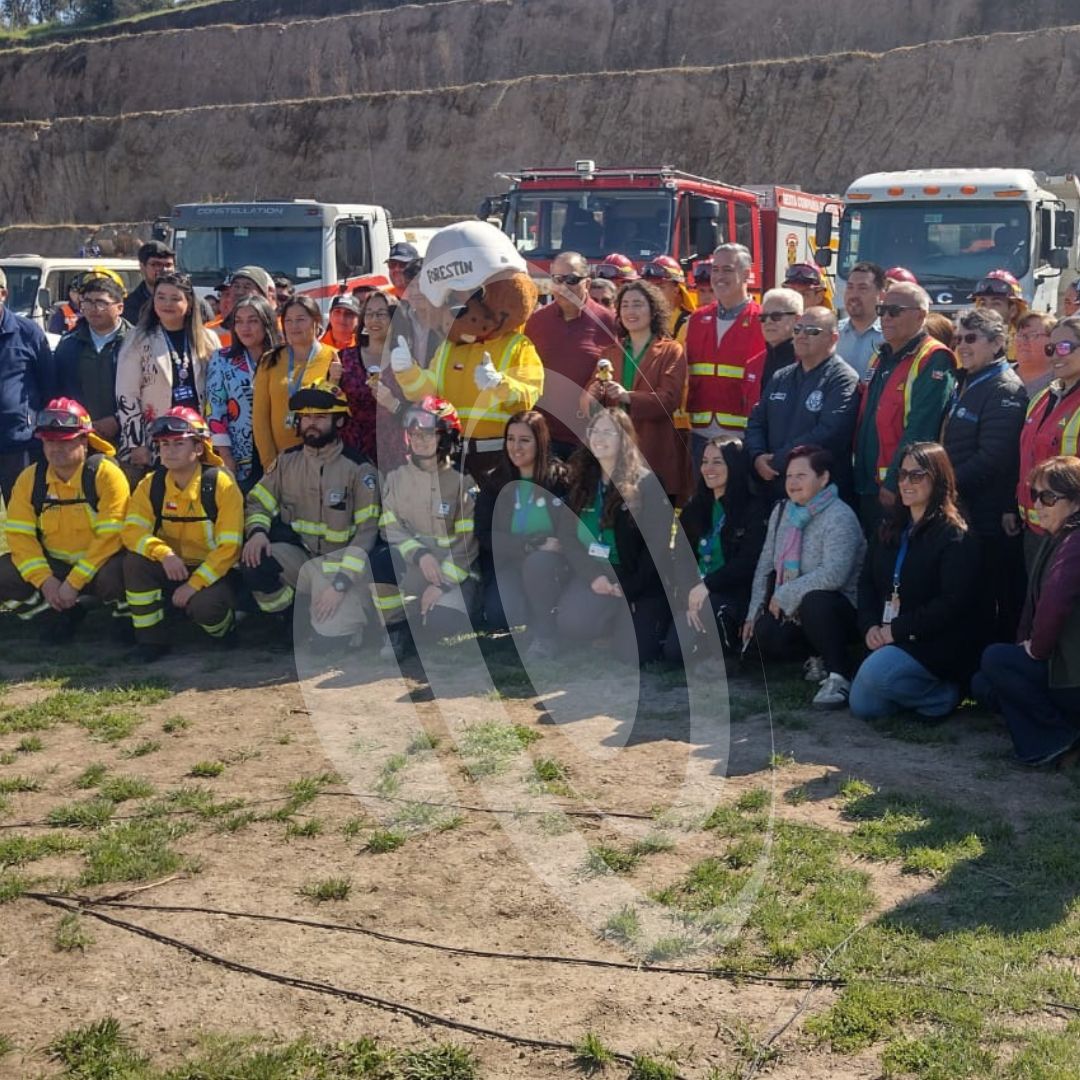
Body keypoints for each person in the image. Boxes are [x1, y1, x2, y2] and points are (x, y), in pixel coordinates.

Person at [242, 381, 380, 645]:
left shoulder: (360, 470)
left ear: (339, 421)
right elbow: (258, 502)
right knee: (254, 560)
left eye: (320, 417)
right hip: (302, 561)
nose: (311, 424)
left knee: (330, 642)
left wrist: (340, 585)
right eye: (305, 417)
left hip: (341, 568)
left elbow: (366, 535)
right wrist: (258, 533)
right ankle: (289, 619)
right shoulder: (286, 462)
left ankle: (350, 621)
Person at [851, 442, 981, 720]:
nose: (906, 483)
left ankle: (944, 696)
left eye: (917, 475)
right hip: (891, 636)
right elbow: (866, 584)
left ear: (939, 479)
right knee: (864, 706)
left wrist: (896, 630)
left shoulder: (955, 535)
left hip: (935, 642)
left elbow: (952, 603)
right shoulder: (888, 527)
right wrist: (870, 625)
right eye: (902, 474)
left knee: (877, 678)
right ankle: (913, 696)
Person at [975, 456, 1080, 765]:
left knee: (994, 658)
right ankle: (1063, 733)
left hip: (1072, 675)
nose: (1038, 505)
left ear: (1075, 500)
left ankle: (1055, 738)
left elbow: (1055, 601)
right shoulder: (1059, 536)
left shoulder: (1075, 541)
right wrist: (1025, 645)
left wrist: (1035, 649)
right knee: (983, 684)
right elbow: (1034, 606)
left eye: (1048, 497)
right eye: (1035, 495)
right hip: (1062, 668)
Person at [744, 446, 865, 708]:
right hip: (794, 609)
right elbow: (765, 563)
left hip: (840, 607)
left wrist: (785, 592)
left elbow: (834, 575)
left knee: (815, 602)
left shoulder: (840, 516)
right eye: (789, 476)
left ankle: (839, 674)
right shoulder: (782, 511)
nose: (793, 482)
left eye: (802, 475)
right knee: (765, 633)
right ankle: (816, 657)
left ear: (823, 479)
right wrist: (753, 612)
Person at [0, 398, 129, 642]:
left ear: (85, 440)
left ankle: (124, 620)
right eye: (49, 440)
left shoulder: (107, 475)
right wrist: (45, 581)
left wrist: (74, 582)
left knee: (123, 571)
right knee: (4, 573)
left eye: (64, 440)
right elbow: (19, 538)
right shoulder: (30, 479)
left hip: (100, 566)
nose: (55, 448)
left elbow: (110, 538)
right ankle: (56, 617)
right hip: (55, 567)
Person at [120, 407, 243, 661]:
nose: (169, 450)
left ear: (198, 449)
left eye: (178, 443)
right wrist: (163, 554)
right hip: (173, 566)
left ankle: (225, 630)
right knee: (135, 563)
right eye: (163, 444)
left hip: (214, 573)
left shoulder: (221, 484)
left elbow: (229, 548)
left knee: (205, 607)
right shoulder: (151, 484)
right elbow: (132, 531)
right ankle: (151, 641)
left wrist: (193, 585)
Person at [553, 408, 673, 665]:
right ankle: (610, 620)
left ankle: (625, 619)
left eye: (608, 431)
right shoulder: (582, 479)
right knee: (570, 624)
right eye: (595, 431)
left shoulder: (647, 484)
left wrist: (628, 588)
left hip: (635, 577)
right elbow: (567, 536)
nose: (599, 437)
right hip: (596, 573)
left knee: (633, 654)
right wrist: (592, 576)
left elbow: (657, 548)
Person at [941, 307, 1027, 642]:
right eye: (958, 338)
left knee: (988, 603)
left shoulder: (1004, 387)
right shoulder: (968, 380)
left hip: (988, 517)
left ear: (996, 344)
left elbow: (993, 457)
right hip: (962, 510)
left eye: (971, 338)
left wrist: (941, 484)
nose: (962, 345)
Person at [374, 396, 479, 662]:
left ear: (446, 437)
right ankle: (395, 630)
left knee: (442, 623)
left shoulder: (463, 483)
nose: (419, 440)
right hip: (416, 566)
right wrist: (420, 554)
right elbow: (389, 526)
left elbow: (467, 545)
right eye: (414, 434)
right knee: (381, 561)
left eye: (429, 434)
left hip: (452, 573)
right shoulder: (396, 479)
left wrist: (442, 584)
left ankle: (427, 613)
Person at [853, 282, 956, 532]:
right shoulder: (881, 355)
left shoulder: (933, 358)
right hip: (866, 482)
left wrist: (894, 481)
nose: (885, 317)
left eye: (894, 311)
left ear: (920, 315)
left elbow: (921, 428)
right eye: (882, 310)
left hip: (899, 487)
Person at [582, 279, 691, 504]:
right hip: (614, 458)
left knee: (652, 532)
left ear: (653, 310)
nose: (631, 310)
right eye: (625, 305)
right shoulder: (609, 353)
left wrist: (627, 397)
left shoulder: (671, 350)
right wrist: (593, 393)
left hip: (654, 452)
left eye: (638, 304)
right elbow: (586, 406)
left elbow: (669, 400)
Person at [663, 436, 766, 665]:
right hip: (695, 594)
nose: (708, 468)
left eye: (717, 462)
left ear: (734, 465)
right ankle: (709, 642)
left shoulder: (752, 508)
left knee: (712, 613)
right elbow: (680, 558)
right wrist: (690, 595)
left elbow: (748, 561)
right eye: (705, 461)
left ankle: (727, 648)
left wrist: (707, 586)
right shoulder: (693, 508)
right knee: (675, 652)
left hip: (732, 593)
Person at [475, 410, 568, 656]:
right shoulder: (495, 483)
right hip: (512, 563)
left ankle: (546, 635)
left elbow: (572, 531)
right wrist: (530, 544)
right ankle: (531, 621)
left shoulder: (560, 479)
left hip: (553, 567)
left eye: (524, 440)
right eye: (510, 439)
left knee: (539, 564)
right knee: (499, 612)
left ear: (541, 442)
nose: (516, 447)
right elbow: (484, 533)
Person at [746, 307, 860, 505]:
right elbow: (756, 420)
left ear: (833, 338)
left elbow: (829, 432)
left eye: (812, 331)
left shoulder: (843, 379)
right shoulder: (781, 376)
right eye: (798, 329)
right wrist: (757, 456)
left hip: (820, 494)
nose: (801, 336)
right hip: (774, 485)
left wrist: (779, 461)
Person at [115, 271, 219, 475]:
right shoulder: (138, 339)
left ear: (189, 303)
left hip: (196, 436)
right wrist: (136, 444)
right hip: (154, 438)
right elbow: (126, 394)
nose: (167, 304)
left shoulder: (208, 339)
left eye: (175, 298)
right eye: (161, 297)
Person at [526, 250, 618, 459]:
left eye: (572, 279)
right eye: (558, 279)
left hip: (590, 441)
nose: (565, 286)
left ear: (587, 282)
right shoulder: (536, 322)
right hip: (544, 439)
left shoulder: (609, 323)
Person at [684, 243, 766, 464]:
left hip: (743, 438)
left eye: (727, 270)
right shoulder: (696, 320)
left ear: (746, 274)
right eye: (716, 270)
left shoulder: (764, 320)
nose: (719, 276)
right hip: (700, 437)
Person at [1015, 316, 1080, 562]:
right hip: (1034, 529)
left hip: (1069, 535)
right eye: (1051, 348)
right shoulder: (1043, 397)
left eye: (1066, 347)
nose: (1056, 355)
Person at [252, 296, 337, 469]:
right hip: (279, 461)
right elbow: (259, 417)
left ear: (316, 321)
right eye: (288, 321)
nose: (293, 326)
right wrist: (269, 462)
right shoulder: (270, 359)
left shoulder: (333, 357)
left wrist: (335, 379)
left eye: (300, 320)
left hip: (322, 459)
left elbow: (336, 410)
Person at [205, 294, 279, 489]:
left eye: (253, 321)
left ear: (267, 323)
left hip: (279, 449)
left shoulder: (283, 357)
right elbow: (215, 409)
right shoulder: (222, 359)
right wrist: (226, 455)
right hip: (241, 453)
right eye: (239, 321)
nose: (245, 328)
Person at [54, 274, 130, 444]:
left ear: (119, 307)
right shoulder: (68, 345)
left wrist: (118, 420)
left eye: (101, 303)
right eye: (87, 303)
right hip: (81, 437)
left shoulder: (137, 343)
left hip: (129, 439)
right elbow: (60, 390)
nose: (94, 309)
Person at [0, 267, 54, 504]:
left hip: (19, 442)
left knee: (24, 514)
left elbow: (49, 386)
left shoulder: (28, 332)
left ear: (3, 294)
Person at [339, 291, 395, 465]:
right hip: (352, 452)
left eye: (381, 314)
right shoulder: (344, 358)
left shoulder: (407, 360)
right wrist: (333, 381)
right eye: (369, 314)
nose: (374, 319)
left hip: (395, 452)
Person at [740, 287, 803, 415]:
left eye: (776, 316)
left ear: (797, 319)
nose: (768, 322)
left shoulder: (811, 363)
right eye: (763, 317)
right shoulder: (752, 365)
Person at [836, 262, 885, 381]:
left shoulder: (889, 336)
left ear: (881, 295)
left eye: (862, 288)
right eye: (850, 287)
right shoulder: (832, 334)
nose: (854, 294)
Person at [972, 270, 1027, 361]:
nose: (987, 309)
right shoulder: (966, 341)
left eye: (996, 303)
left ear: (1013, 310)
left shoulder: (1026, 343)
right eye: (983, 303)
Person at [641, 256, 696, 344]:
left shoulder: (688, 324)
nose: (653, 292)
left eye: (660, 287)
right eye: (650, 287)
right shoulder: (641, 319)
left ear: (676, 290)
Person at [122, 240, 175, 325]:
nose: (164, 270)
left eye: (168, 265)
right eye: (156, 264)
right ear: (142, 267)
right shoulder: (129, 306)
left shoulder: (190, 302)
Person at [1014, 312, 1055, 395]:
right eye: (1019, 335)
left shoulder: (1063, 384)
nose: (1022, 341)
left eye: (1032, 335)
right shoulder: (1000, 376)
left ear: (1053, 340)